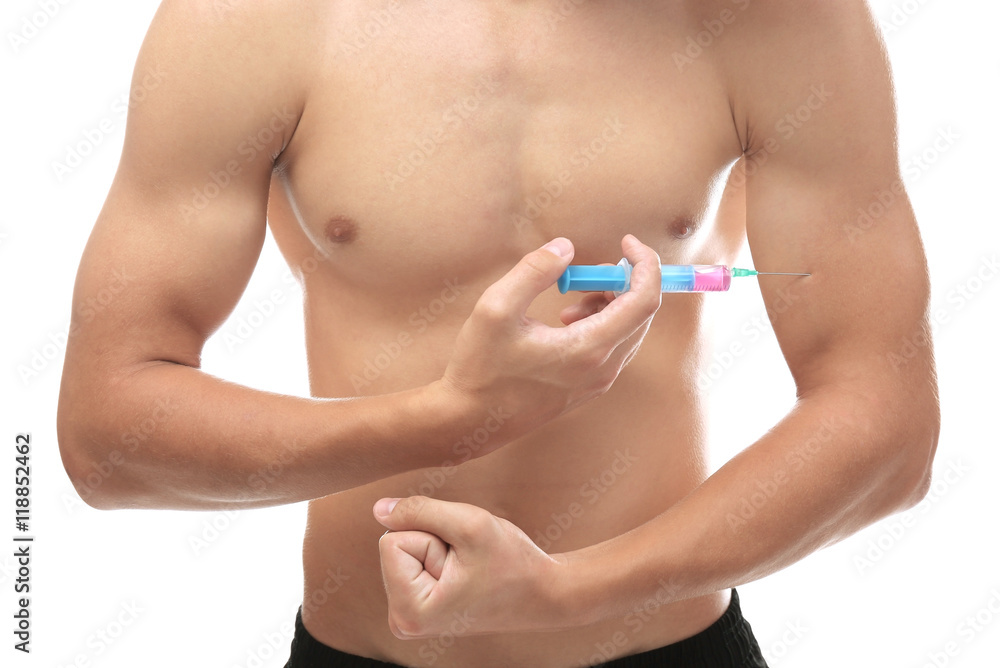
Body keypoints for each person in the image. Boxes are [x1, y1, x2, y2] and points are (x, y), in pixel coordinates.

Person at [57, 0, 939, 666]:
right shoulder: (254, 19)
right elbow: (109, 439)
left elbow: (887, 430)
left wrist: (564, 592)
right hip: (365, 652)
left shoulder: (776, 19)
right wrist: (453, 415)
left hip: (669, 649)